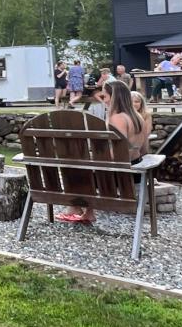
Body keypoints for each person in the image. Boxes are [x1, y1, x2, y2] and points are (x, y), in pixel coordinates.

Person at [60, 79, 149, 224]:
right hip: (135, 169)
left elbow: (117, 153)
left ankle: (74, 207)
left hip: (120, 175)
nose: (104, 100)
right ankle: (88, 212)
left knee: (74, 169)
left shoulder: (118, 118)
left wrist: (94, 156)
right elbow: (144, 149)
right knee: (86, 166)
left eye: (105, 96)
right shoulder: (138, 117)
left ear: (114, 97)